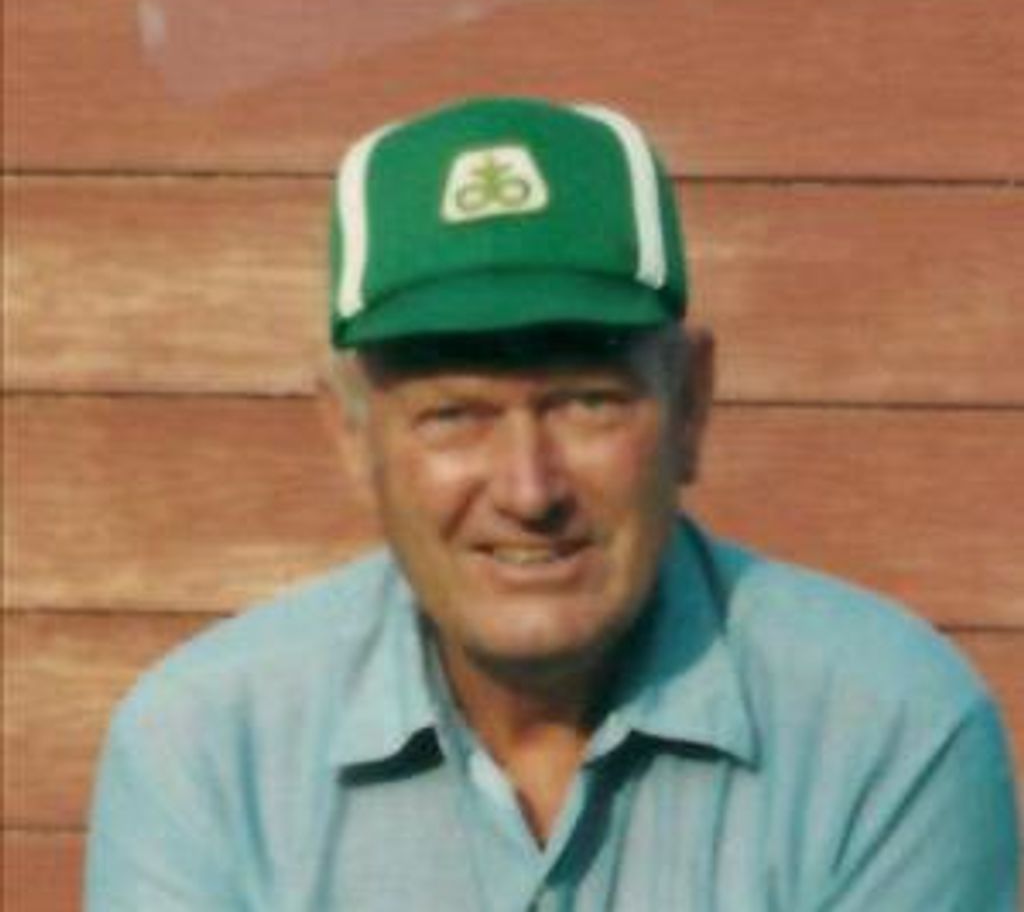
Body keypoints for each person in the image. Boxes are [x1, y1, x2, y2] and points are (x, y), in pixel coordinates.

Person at [86, 97, 1019, 910]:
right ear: (351, 435)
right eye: (454, 415)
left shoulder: (887, 732)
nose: (529, 490)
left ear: (691, 404)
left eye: (586, 402)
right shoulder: (209, 752)